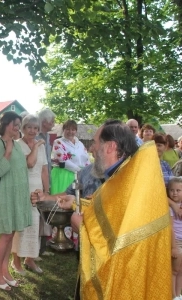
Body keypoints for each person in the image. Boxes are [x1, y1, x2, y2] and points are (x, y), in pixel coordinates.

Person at [56, 120, 171, 299]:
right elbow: (111, 215)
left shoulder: (125, 183)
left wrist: (82, 227)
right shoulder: (123, 176)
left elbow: (118, 243)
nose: (92, 149)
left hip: (125, 281)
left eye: (95, 143)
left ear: (110, 147)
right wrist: (75, 202)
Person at [0, 111, 31, 291]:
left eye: (18, 125)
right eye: (15, 124)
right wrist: (7, 152)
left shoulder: (18, 145)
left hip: (18, 196)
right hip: (5, 196)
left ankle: (5, 271)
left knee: (11, 235)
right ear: (5, 124)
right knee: (5, 236)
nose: (17, 128)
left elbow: (22, 170)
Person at [11, 114, 48, 275]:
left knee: (34, 225)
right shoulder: (17, 145)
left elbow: (44, 169)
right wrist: (36, 146)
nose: (32, 131)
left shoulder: (41, 146)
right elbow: (29, 163)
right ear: (23, 128)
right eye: (29, 127)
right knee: (20, 225)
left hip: (37, 190)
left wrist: (46, 191)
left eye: (35, 128)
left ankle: (30, 258)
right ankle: (15, 261)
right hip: (21, 188)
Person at [51, 120, 90, 194]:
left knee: (77, 201)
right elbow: (62, 160)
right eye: (67, 129)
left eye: (73, 129)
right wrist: (80, 171)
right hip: (63, 175)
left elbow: (86, 158)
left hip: (79, 176)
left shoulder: (80, 144)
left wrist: (87, 171)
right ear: (63, 130)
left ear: (76, 131)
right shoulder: (58, 142)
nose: (70, 132)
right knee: (62, 200)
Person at [169, 177, 182, 300]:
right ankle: (172, 295)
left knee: (181, 270)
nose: (175, 193)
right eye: (172, 190)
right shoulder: (170, 208)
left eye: (178, 190)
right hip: (177, 241)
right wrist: (174, 247)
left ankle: (178, 295)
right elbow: (171, 228)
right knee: (174, 270)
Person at [37, 108, 56, 184]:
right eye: (52, 122)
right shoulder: (35, 137)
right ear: (44, 122)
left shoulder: (47, 136)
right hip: (38, 177)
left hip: (46, 176)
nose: (54, 124)